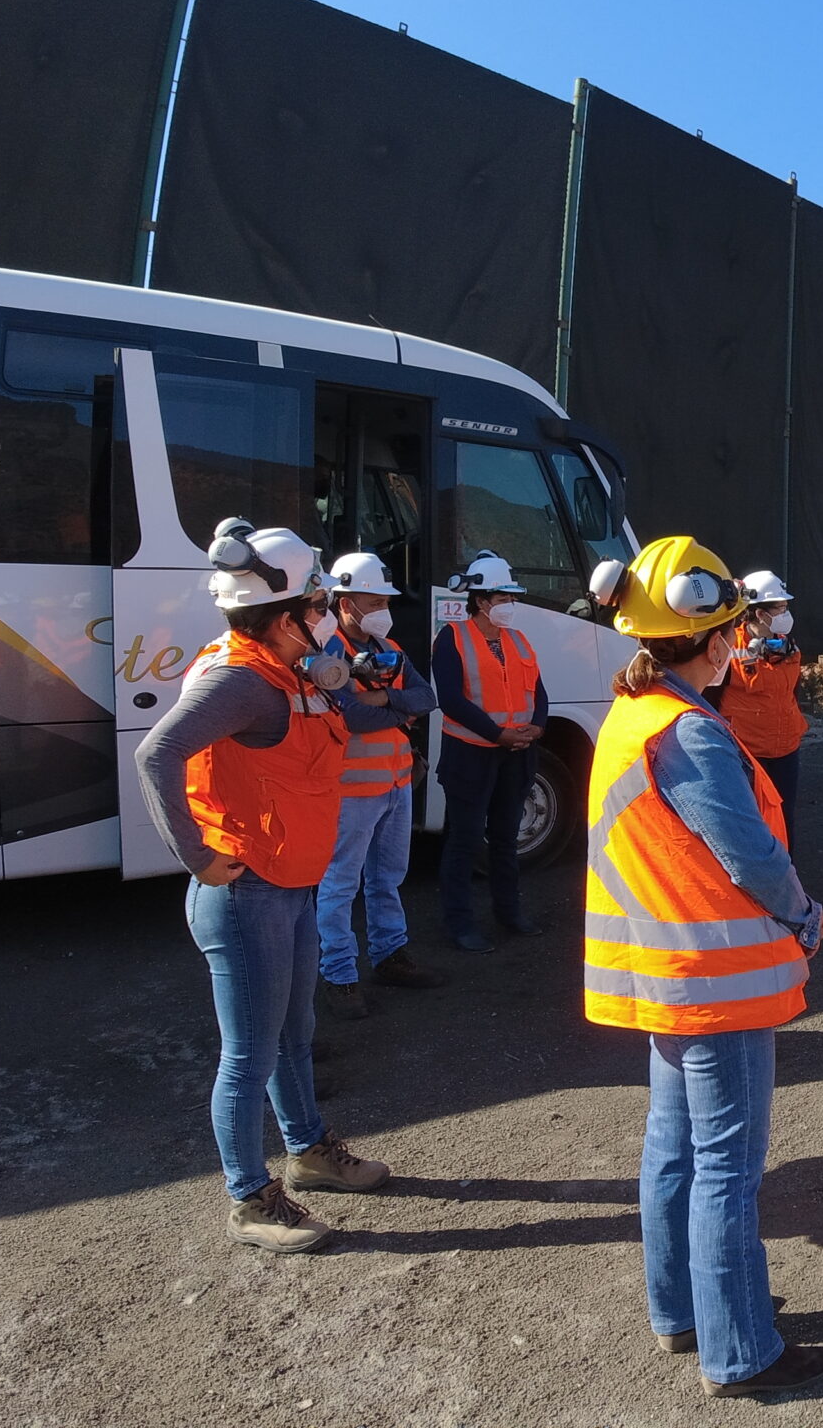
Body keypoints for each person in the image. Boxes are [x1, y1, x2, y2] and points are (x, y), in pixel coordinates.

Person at [580, 536, 823, 1399]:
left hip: (664, 972)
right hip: (715, 979)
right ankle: (741, 1352)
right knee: (726, 1164)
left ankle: (684, 1311)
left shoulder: (634, 712)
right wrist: (804, 915)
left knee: (674, 1150)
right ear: (715, 638)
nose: (740, 643)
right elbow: (751, 857)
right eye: (731, 629)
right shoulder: (689, 731)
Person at [132, 519, 392, 1255]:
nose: (325, 615)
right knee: (249, 1055)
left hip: (288, 886)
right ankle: (249, 1200)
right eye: (315, 607)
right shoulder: (241, 678)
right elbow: (157, 756)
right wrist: (198, 859)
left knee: (294, 1036)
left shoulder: (283, 669)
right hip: (246, 896)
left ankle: (309, 1153)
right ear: (284, 619)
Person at [313, 551, 445, 1018]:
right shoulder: (328, 655)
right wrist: (393, 707)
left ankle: (390, 956)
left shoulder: (388, 650)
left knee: (387, 879)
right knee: (339, 884)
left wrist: (384, 695)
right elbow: (353, 718)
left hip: (394, 784)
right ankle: (340, 976)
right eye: (373, 602)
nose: (382, 610)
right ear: (344, 602)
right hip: (350, 790)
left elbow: (425, 697)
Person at [431, 550, 547, 954]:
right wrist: (498, 734)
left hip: (515, 755)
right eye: (504, 599)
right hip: (471, 755)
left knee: (504, 839)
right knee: (464, 840)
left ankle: (509, 913)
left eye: (512, 598)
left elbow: (538, 691)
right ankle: (460, 923)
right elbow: (450, 700)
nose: (511, 606)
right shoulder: (452, 638)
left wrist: (538, 726)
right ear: (481, 601)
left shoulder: (518, 640)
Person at [714, 569, 806, 841]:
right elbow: (711, 699)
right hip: (747, 754)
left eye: (786, 608)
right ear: (759, 614)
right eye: (780, 608)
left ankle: (785, 877)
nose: (786, 615)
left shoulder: (789, 646)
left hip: (786, 750)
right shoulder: (730, 648)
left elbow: (792, 694)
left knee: (782, 821)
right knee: (748, 826)